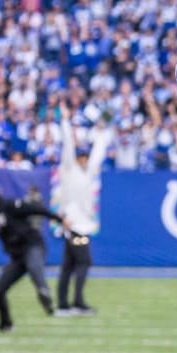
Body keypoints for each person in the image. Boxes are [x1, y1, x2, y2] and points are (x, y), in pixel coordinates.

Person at [0, 181, 61, 333]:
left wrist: (59, 218)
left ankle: (43, 291)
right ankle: (6, 324)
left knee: (34, 266)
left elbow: (36, 209)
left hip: (32, 245)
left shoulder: (10, 204)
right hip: (17, 256)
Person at [53, 118, 111, 315]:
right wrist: (65, 121)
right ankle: (76, 302)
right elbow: (68, 146)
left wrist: (102, 131)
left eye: (86, 157)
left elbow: (99, 153)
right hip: (73, 225)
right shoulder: (68, 170)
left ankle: (63, 304)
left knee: (69, 264)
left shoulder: (88, 173)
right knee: (83, 262)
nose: (84, 159)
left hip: (81, 225)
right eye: (81, 157)